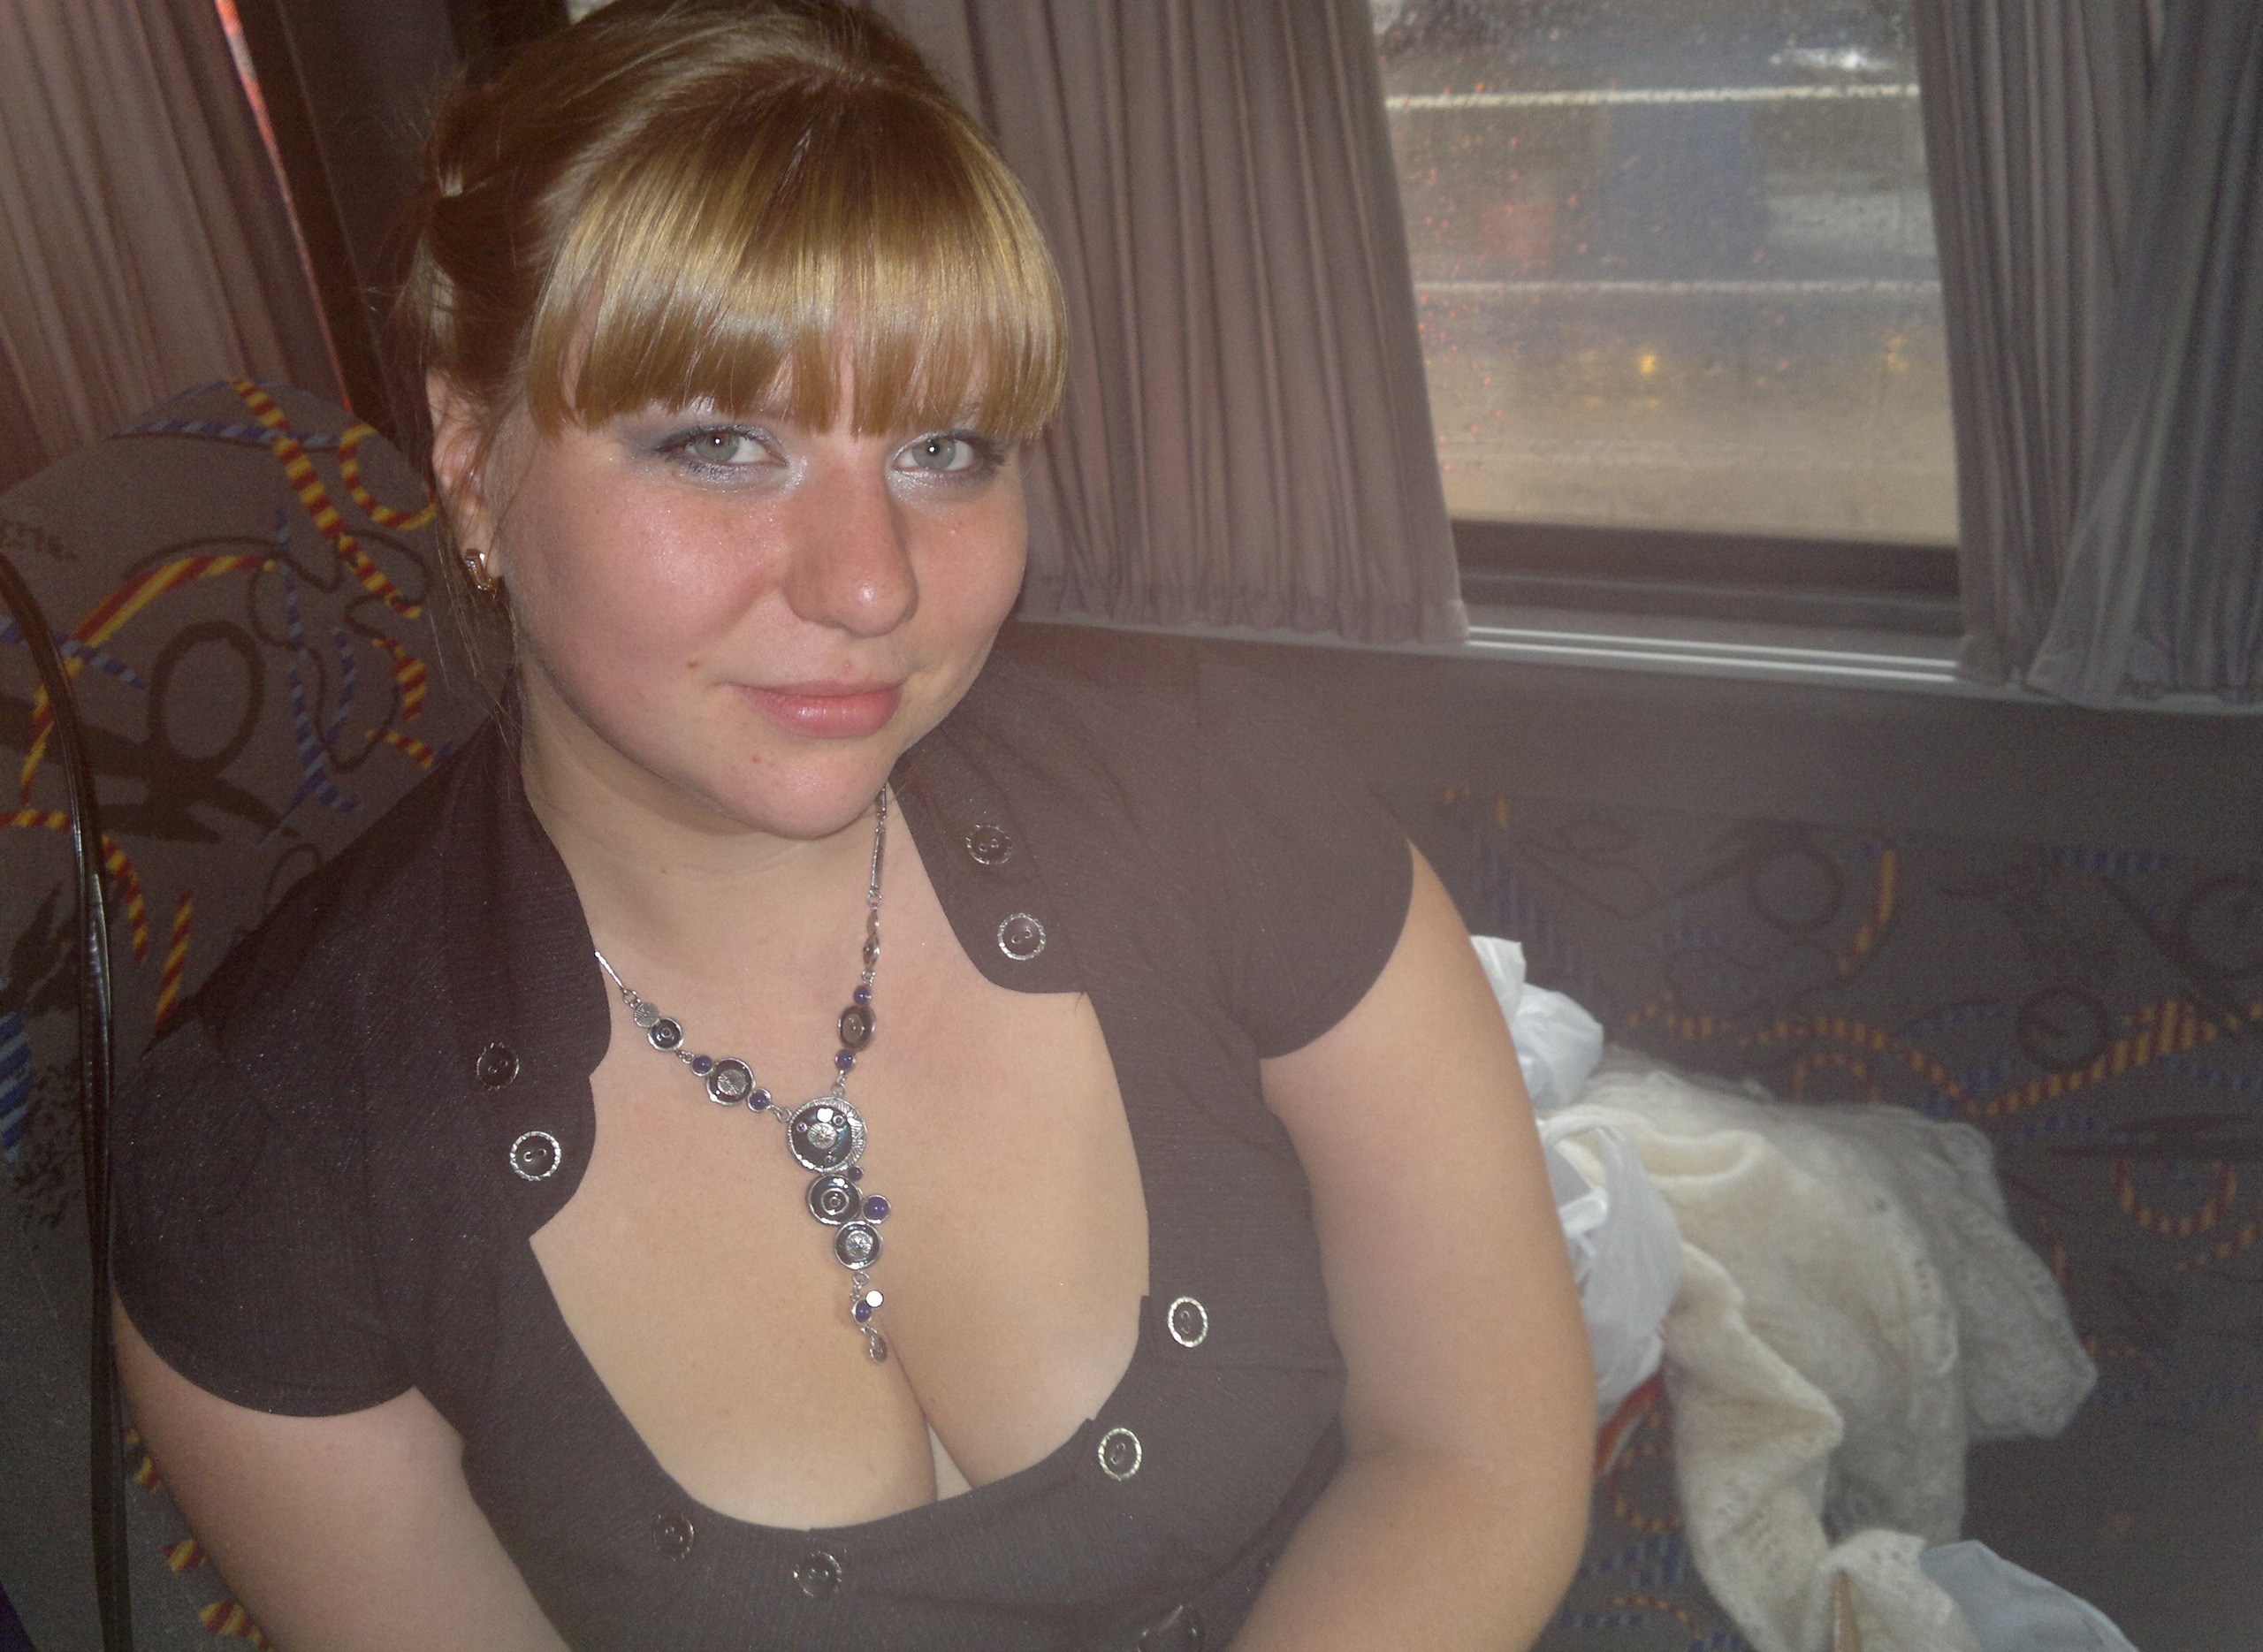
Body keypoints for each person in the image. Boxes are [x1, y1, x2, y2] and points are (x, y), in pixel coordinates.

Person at [110, 3, 1592, 1647]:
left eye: (944, 448)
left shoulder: (1215, 787)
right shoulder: (273, 1159)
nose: (873, 583)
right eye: (720, 442)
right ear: (470, 461)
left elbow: (1474, 1452)